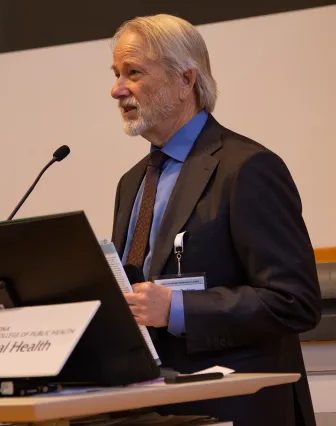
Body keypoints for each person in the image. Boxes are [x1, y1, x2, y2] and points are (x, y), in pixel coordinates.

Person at [109, 14, 322, 426]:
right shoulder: (131, 183)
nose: (117, 89)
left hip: (234, 408)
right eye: (117, 74)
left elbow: (294, 301)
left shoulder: (249, 168)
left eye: (134, 73)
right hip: (148, 408)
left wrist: (177, 307)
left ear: (185, 80)